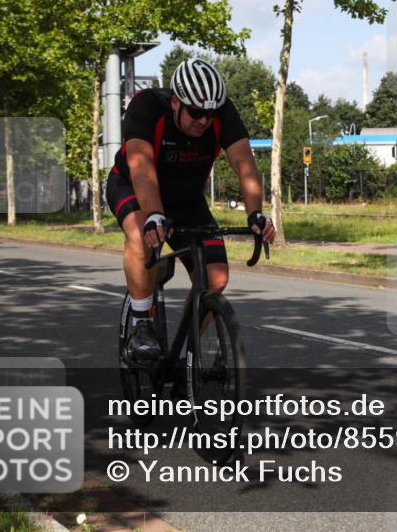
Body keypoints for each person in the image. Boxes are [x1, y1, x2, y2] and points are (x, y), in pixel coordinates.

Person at [106, 58, 276, 363]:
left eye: (209, 114)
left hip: (186, 200)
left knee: (216, 278)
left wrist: (256, 215)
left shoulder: (222, 112)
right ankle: (142, 323)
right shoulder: (146, 107)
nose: (204, 121)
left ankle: (186, 353)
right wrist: (154, 216)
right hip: (133, 186)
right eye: (196, 112)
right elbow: (140, 166)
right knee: (139, 232)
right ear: (175, 102)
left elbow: (244, 164)